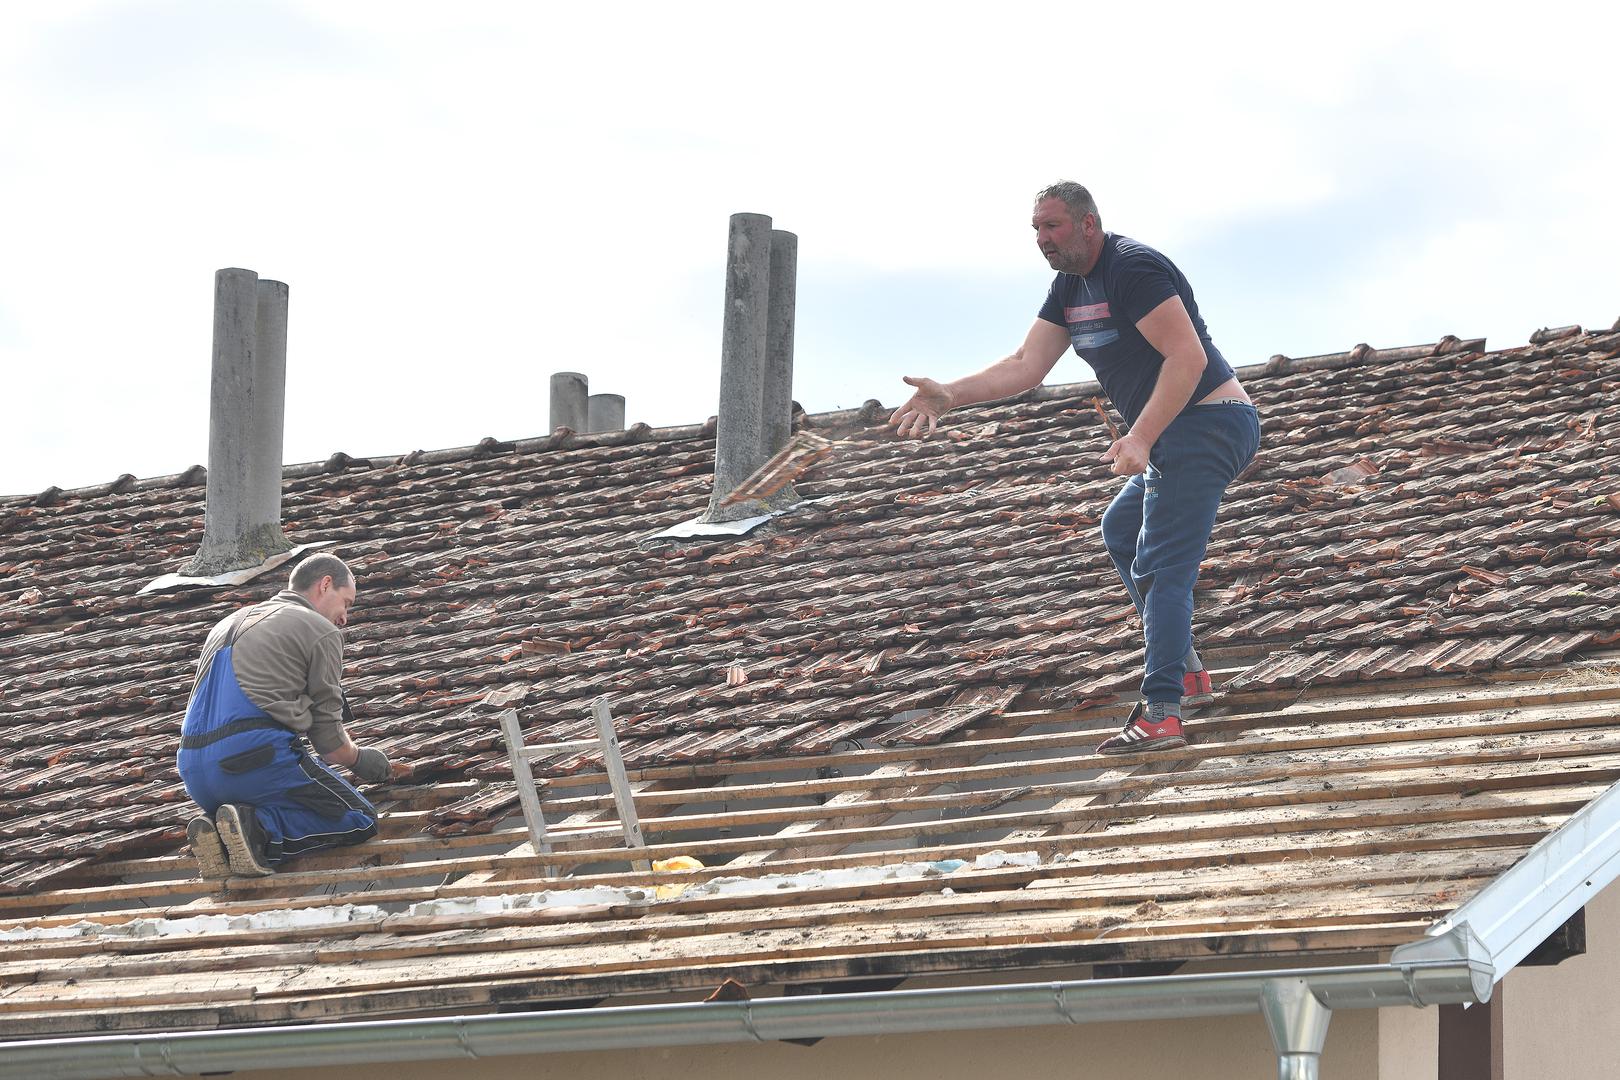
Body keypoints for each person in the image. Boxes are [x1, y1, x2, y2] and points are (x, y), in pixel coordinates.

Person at [890, 181, 1260, 755]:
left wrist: (1141, 435)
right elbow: (1024, 365)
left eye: (1052, 226)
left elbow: (1187, 356)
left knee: (1162, 564)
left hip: (1209, 423)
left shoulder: (1133, 270)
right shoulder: (1068, 287)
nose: (1042, 239)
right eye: (1036, 228)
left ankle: (1162, 710)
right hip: (1172, 433)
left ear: (1089, 224)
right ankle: (1183, 668)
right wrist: (950, 395)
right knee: (1120, 531)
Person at [178, 552, 393, 878]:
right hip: (256, 760)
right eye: (347, 604)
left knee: (275, 802)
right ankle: (258, 830)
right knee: (359, 818)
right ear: (325, 585)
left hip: (194, 772)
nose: (345, 618)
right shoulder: (320, 630)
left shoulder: (225, 624)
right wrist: (362, 760)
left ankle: (222, 832)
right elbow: (329, 744)